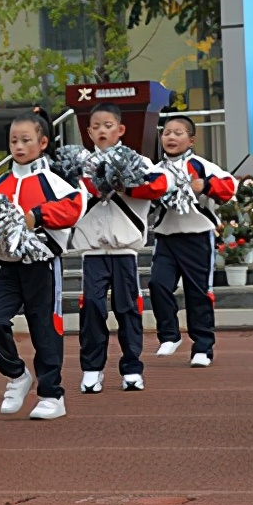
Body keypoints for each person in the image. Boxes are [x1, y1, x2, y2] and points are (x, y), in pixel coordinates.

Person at [0, 109, 83, 420]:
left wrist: (37, 216)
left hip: (43, 266)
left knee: (45, 329)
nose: (19, 146)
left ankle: (52, 394)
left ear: (42, 143)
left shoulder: (54, 180)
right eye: (14, 140)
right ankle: (17, 373)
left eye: (26, 140)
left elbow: (74, 207)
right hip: (9, 268)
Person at [71, 103, 170, 393]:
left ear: (121, 129)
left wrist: (123, 185)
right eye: (96, 127)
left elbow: (159, 185)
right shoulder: (79, 164)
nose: (102, 131)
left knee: (127, 310)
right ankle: (92, 369)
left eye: (108, 125)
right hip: (92, 253)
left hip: (125, 252)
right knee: (91, 309)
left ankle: (131, 369)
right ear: (88, 132)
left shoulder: (138, 161)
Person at [149, 115, 237, 368]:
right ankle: (169, 335)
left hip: (197, 238)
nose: (171, 137)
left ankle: (202, 347)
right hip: (166, 238)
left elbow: (229, 186)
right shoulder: (156, 170)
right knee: (157, 284)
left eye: (178, 133)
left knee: (197, 293)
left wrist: (206, 185)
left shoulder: (201, 165)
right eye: (167, 133)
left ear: (191, 139)